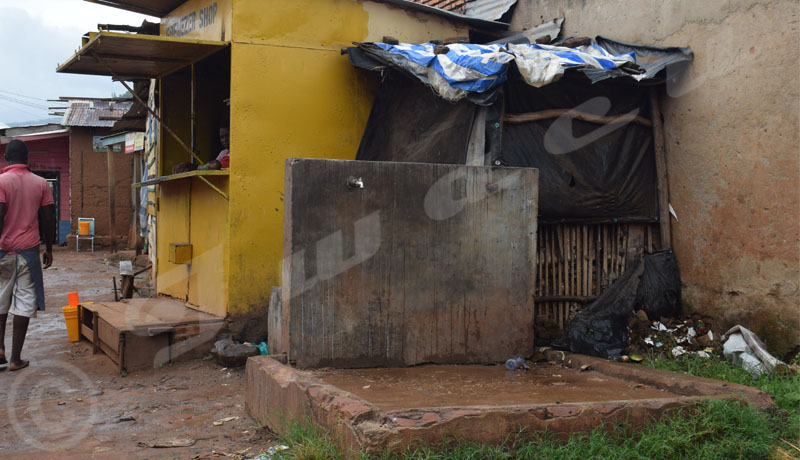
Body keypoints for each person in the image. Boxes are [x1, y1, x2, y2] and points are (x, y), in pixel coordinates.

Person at [0, 139, 55, 372]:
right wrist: (49, 248)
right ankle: (15, 359)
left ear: (5, 157)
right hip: (28, 254)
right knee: (23, 304)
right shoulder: (41, 183)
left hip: (3, 251)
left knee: (0, 299)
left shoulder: (1, 182)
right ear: (28, 156)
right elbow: (48, 219)